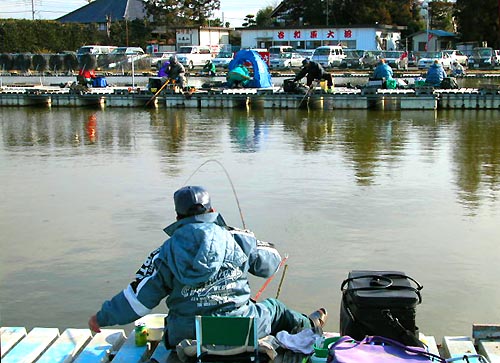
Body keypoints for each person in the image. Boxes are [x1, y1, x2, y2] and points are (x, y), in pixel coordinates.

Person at [88, 186, 327, 348]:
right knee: (275, 308)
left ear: (178, 215)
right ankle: (310, 325)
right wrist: (250, 238)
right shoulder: (235, 238)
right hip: (241, 329)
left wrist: (101, 317)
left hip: (186, 336)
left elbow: (137, 301)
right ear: (211, 210)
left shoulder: (163, 253)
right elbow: (271, 263)